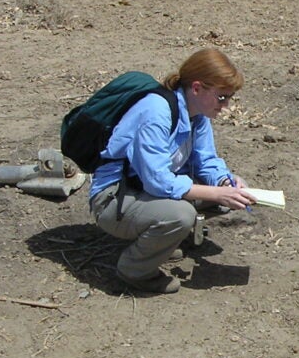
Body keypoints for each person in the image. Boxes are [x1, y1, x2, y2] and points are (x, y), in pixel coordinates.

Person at [88, 48, 256, 294]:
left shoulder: (197, 113)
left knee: (229, 193)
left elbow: (206, 160)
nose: (227, 106)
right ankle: (135, 270)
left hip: (143, 189)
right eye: (222, 97)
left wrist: (224, 182)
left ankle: (162, 240)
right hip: (113, 199)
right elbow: (157, 181)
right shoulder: (156, 112)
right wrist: (216, 194)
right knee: (180, 215)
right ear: (197, 88)